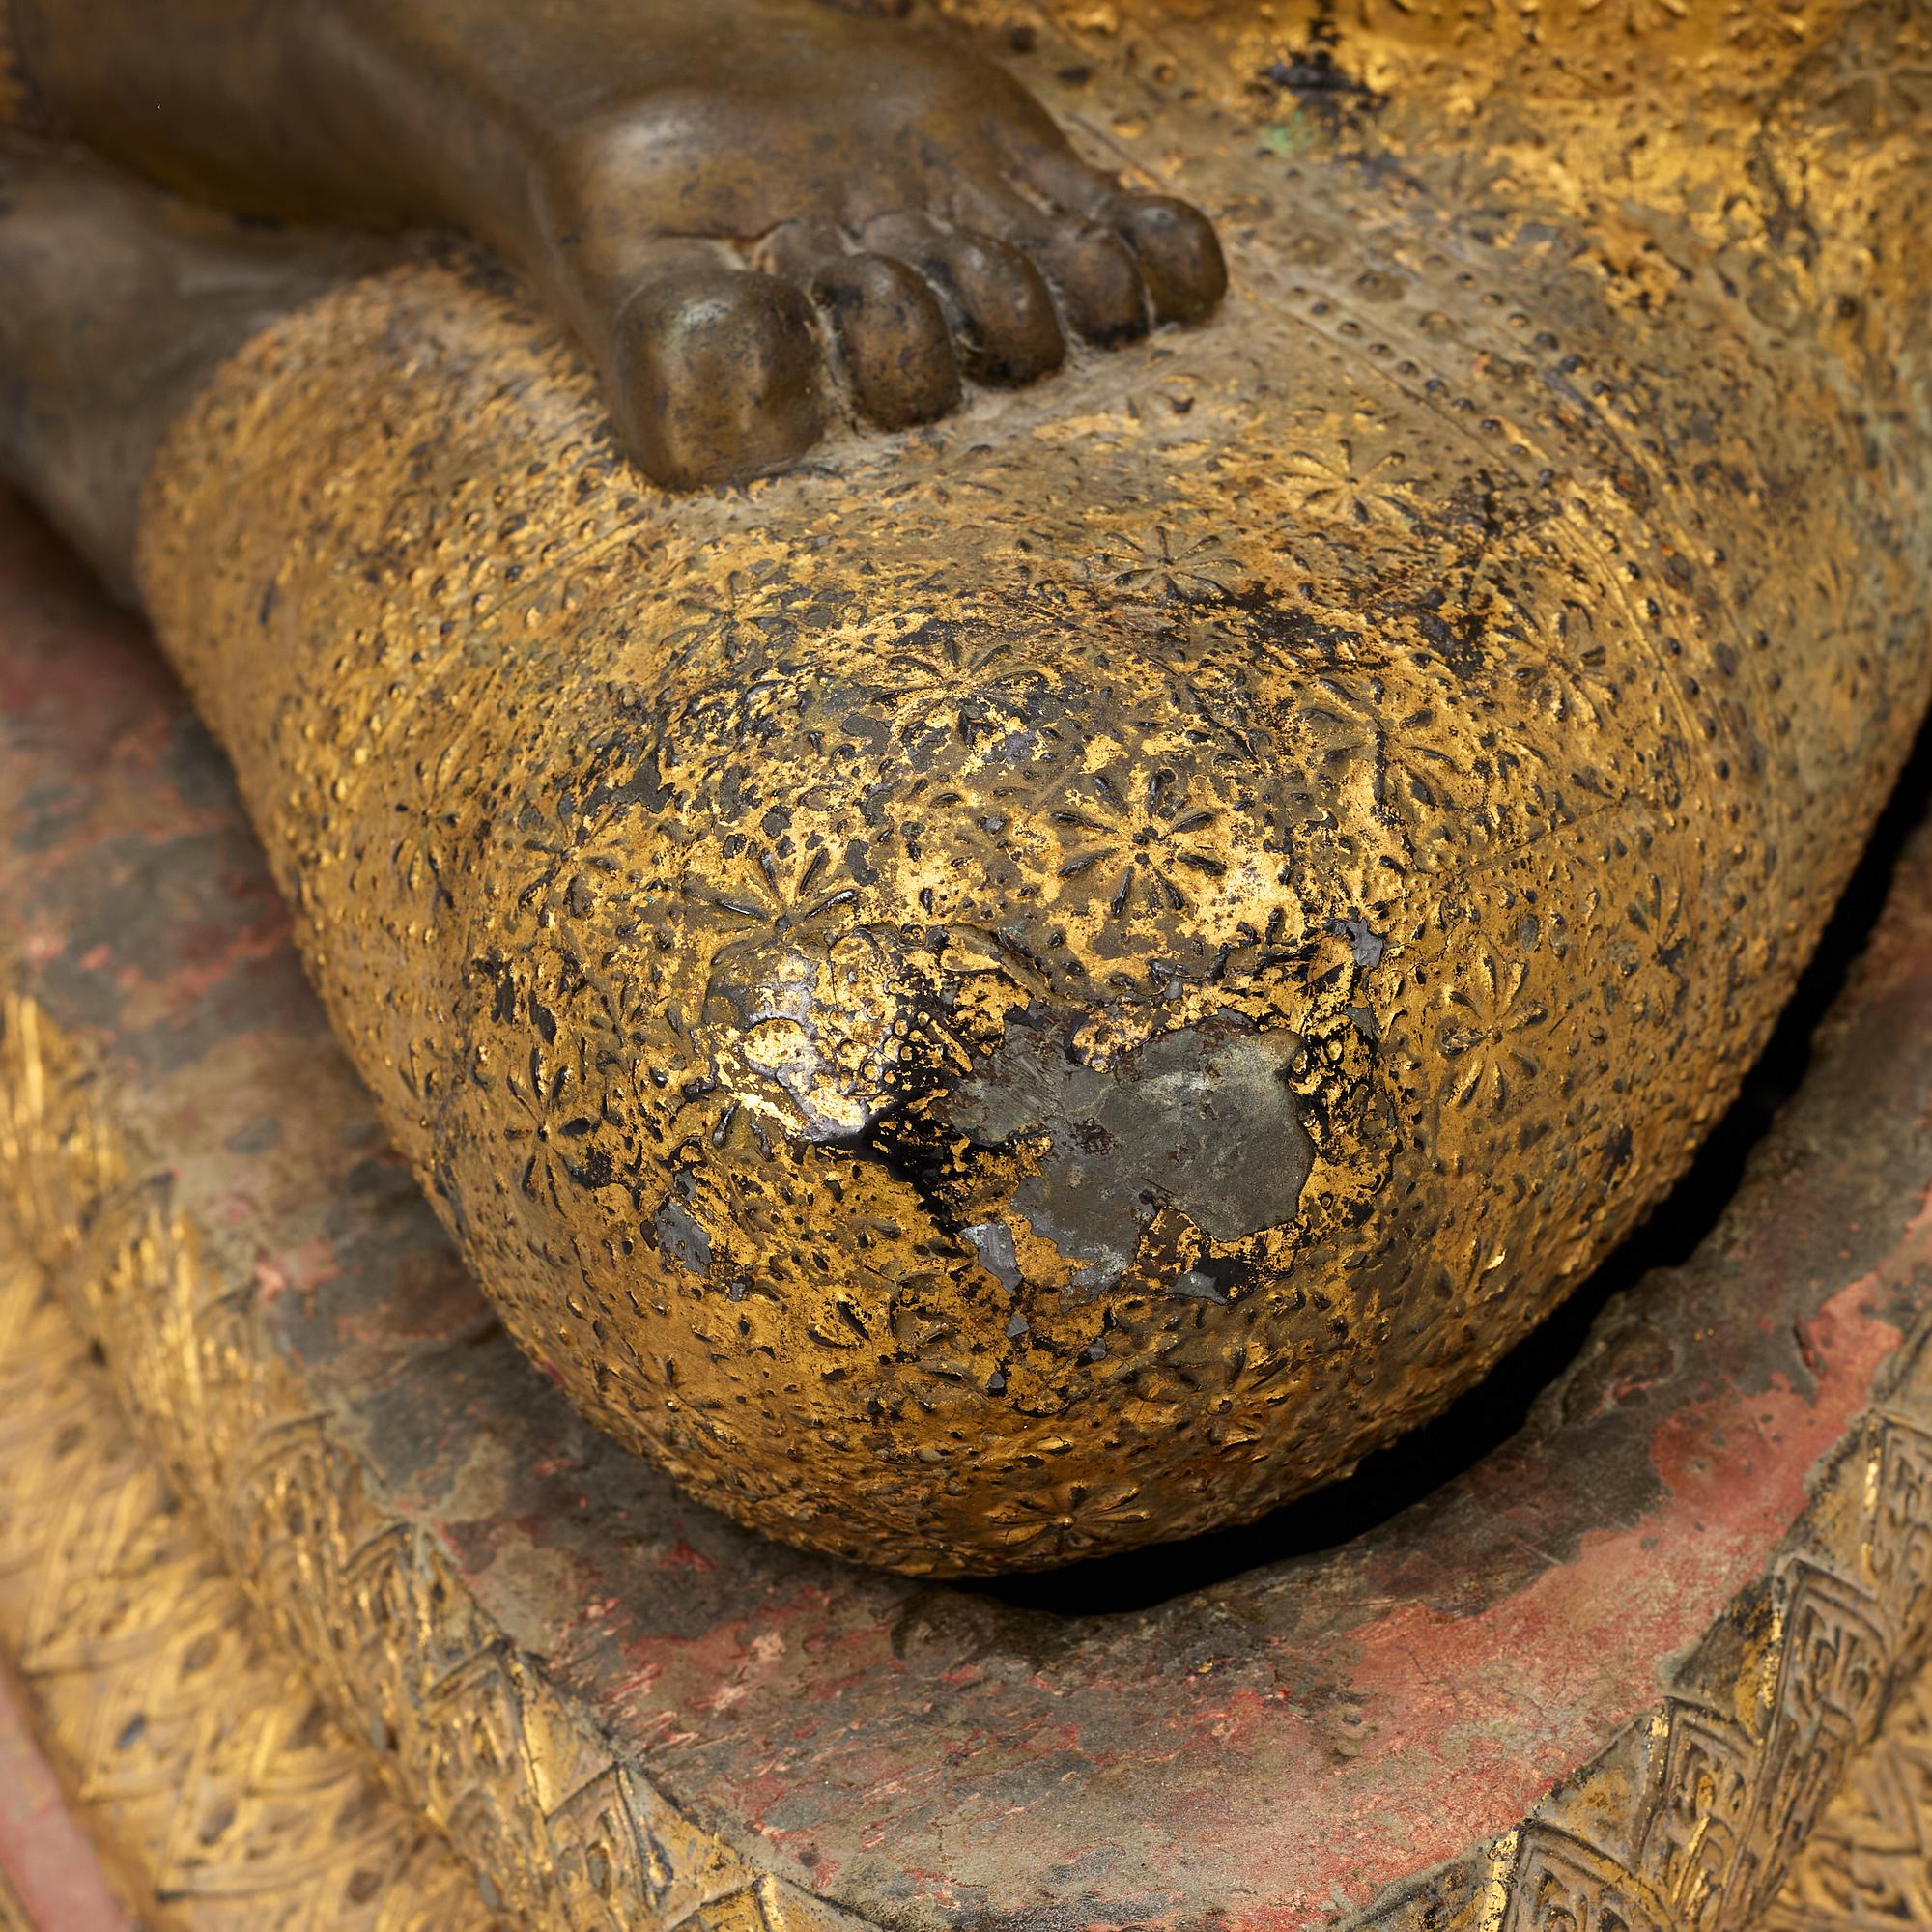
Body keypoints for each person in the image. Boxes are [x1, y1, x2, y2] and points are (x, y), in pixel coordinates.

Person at [1, 0, 1927, 1575]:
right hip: (946, 107)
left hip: (1620, 136)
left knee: (1002, 998)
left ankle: (154, 333)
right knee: (845, 958)